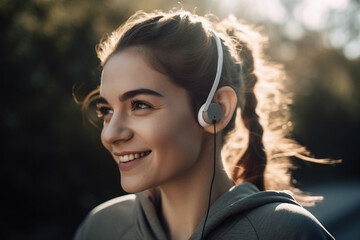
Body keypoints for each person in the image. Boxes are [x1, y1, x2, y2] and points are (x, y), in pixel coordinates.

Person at [74, 9, 334, 240]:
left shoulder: (287, 232)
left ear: (216, 110)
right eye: (106, 110)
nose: (110, 134)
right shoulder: (100, 228)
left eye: (140, 105)